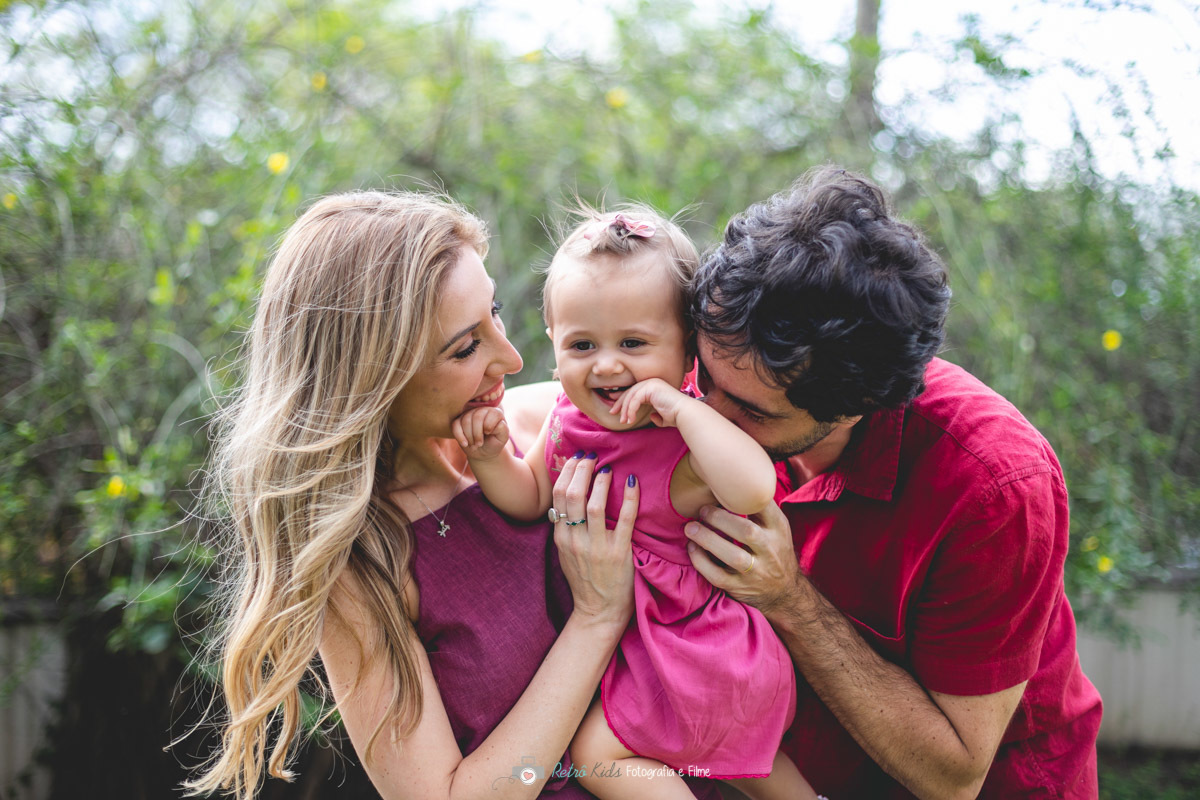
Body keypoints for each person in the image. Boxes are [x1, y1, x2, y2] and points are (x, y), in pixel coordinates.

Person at [184, 191, 720, 800]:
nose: (513, 359)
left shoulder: (561, 425)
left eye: (495, 314)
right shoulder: (363, 563)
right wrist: (597, 621)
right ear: (375, 375)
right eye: (467, 347)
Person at [678, 167, 1104, 798]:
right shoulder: (730, 376)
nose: (705, 416)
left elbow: (953, 774)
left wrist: (789, 598)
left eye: (753, 413)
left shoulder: (995, 485)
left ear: (856, 405)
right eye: (701, 378)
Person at [452, 206, 813, 800]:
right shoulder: (569, 420)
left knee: (596, 755)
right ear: (552, 342)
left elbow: (753, 488)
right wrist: (494, 460)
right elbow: (532, 497)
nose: (608, 364)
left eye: (634, 343)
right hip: (654, 651)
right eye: (582, 344)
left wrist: (684, 410)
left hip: (698, 649)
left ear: (688, 347)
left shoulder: (684, 438)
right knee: (762, 765)